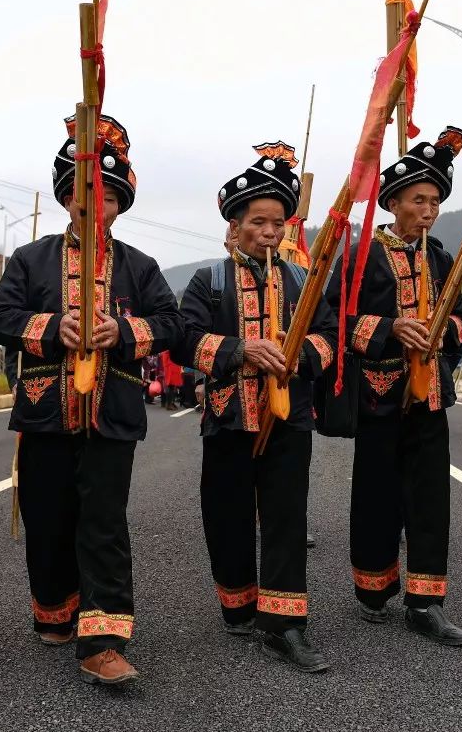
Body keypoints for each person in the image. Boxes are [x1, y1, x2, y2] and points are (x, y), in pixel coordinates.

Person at [0, 114, 181, 687]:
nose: (93, 205)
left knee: (102, 523)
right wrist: (54, 327)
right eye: (81, 193)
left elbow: (171, 325)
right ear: (66, 197)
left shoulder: (140, 266)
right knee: (48, 519)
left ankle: (104, 638)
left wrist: (121, 331)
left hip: (111, 416)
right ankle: (56, 608)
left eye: (107, 197)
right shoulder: (30, 260)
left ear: (120, 205)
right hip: (45, 412)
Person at [177, 140, 337, 672]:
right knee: (225, 515)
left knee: (287, 517)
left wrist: (296, 358)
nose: (269, 233)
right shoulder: (209, 280)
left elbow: (328, 338)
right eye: (258, 223)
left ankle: (285, 622)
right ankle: (238, 603)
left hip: (290, 418)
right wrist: (239, 350)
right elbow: (182, 339)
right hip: (226, 417)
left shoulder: (302, 281)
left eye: (278, 225)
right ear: (233, 227)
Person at [323, 127, 462, 646]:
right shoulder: (360, 255)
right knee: (377, 496)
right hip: (379, 395)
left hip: (429, 397)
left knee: (431, 500)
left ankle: (426, 603)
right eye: (418, 200)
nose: (428, 211)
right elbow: (334, 320)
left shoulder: (441, 258)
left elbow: (461, 321)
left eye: (434, 201)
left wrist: (441, 331)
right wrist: (389, 329)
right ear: (392, 202)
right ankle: (373, 587)